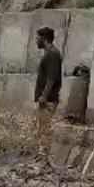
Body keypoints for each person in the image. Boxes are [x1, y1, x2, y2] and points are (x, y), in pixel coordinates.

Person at [33, 27, 62, 159]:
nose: (36, 40)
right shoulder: (50, 54)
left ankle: (43, 157)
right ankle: (40, 156)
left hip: (48, 99)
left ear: (44, 39)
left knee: (45, 129)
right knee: (41, 129)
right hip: (46, 98)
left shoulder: (52, 54)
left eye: (37, 38)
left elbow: (51, 77)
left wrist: (44, 95)